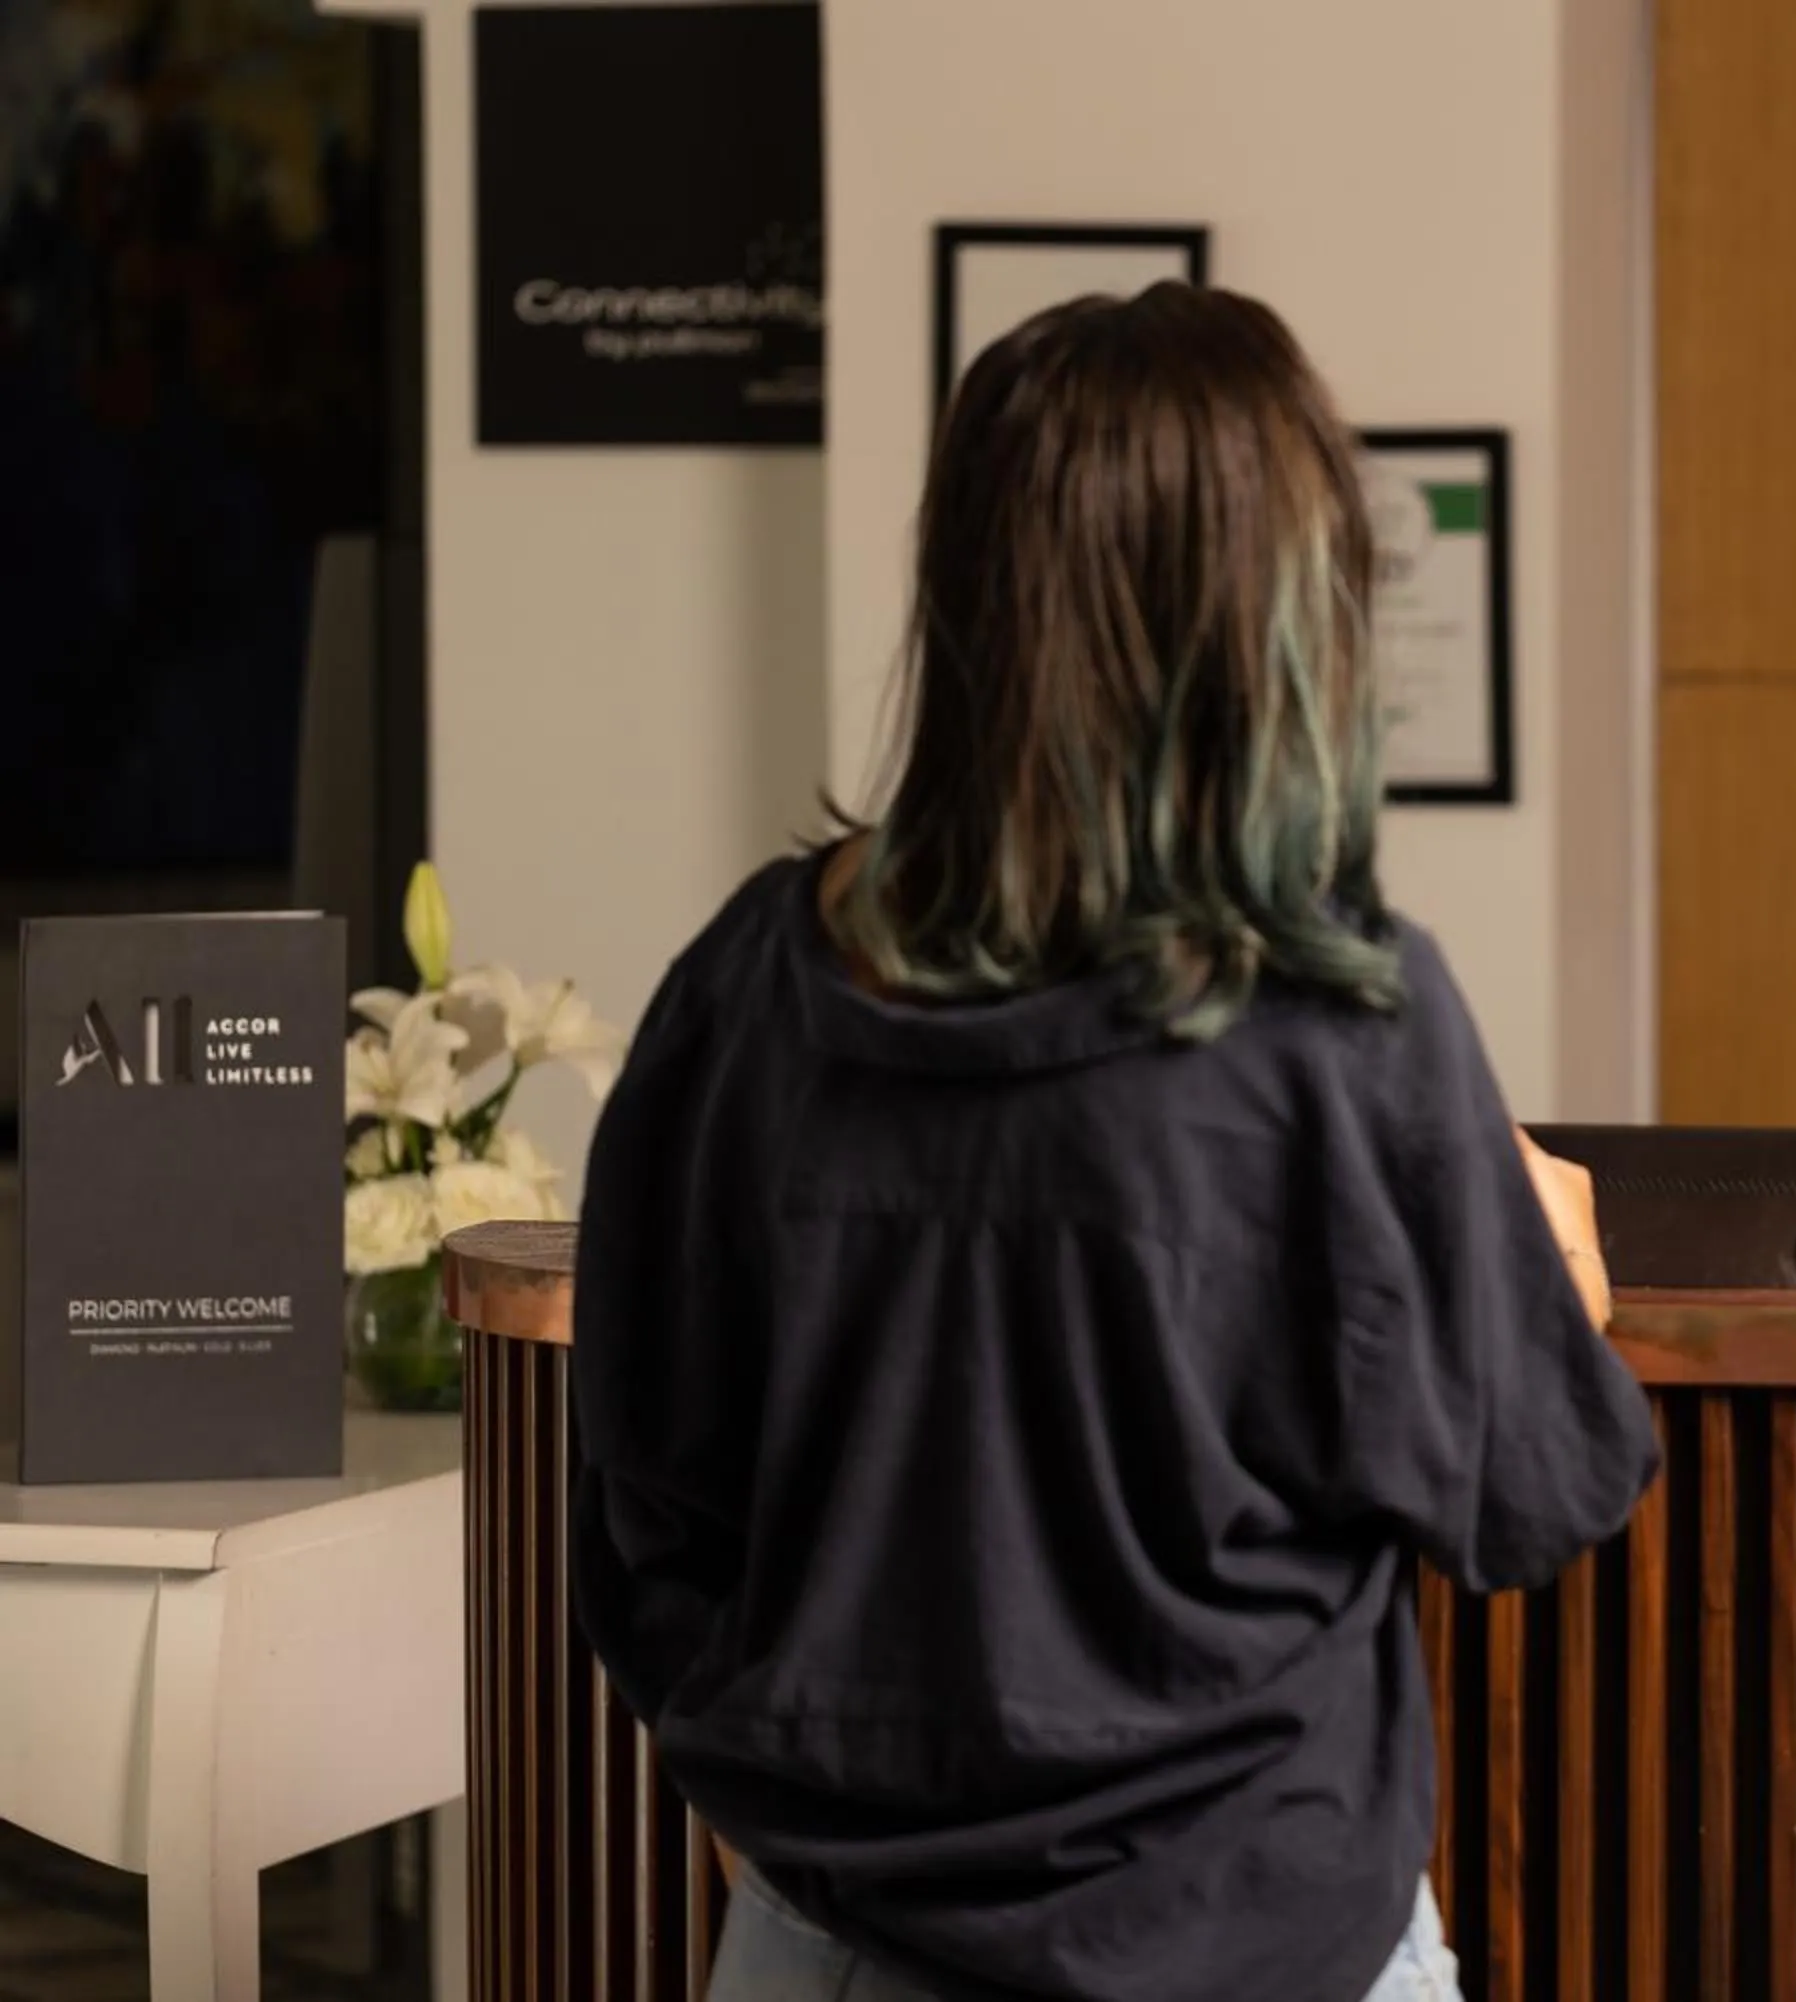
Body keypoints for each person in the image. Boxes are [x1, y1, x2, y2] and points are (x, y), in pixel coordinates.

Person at [568, 284, 1660, 2002]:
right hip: (1259, 1944)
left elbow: (647, 1489)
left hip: (830, 1940)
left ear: (969, 586)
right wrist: (1552, 1269)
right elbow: (1533, 1495)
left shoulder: (750, 981)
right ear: (1289, 609)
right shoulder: (1344, 1031)